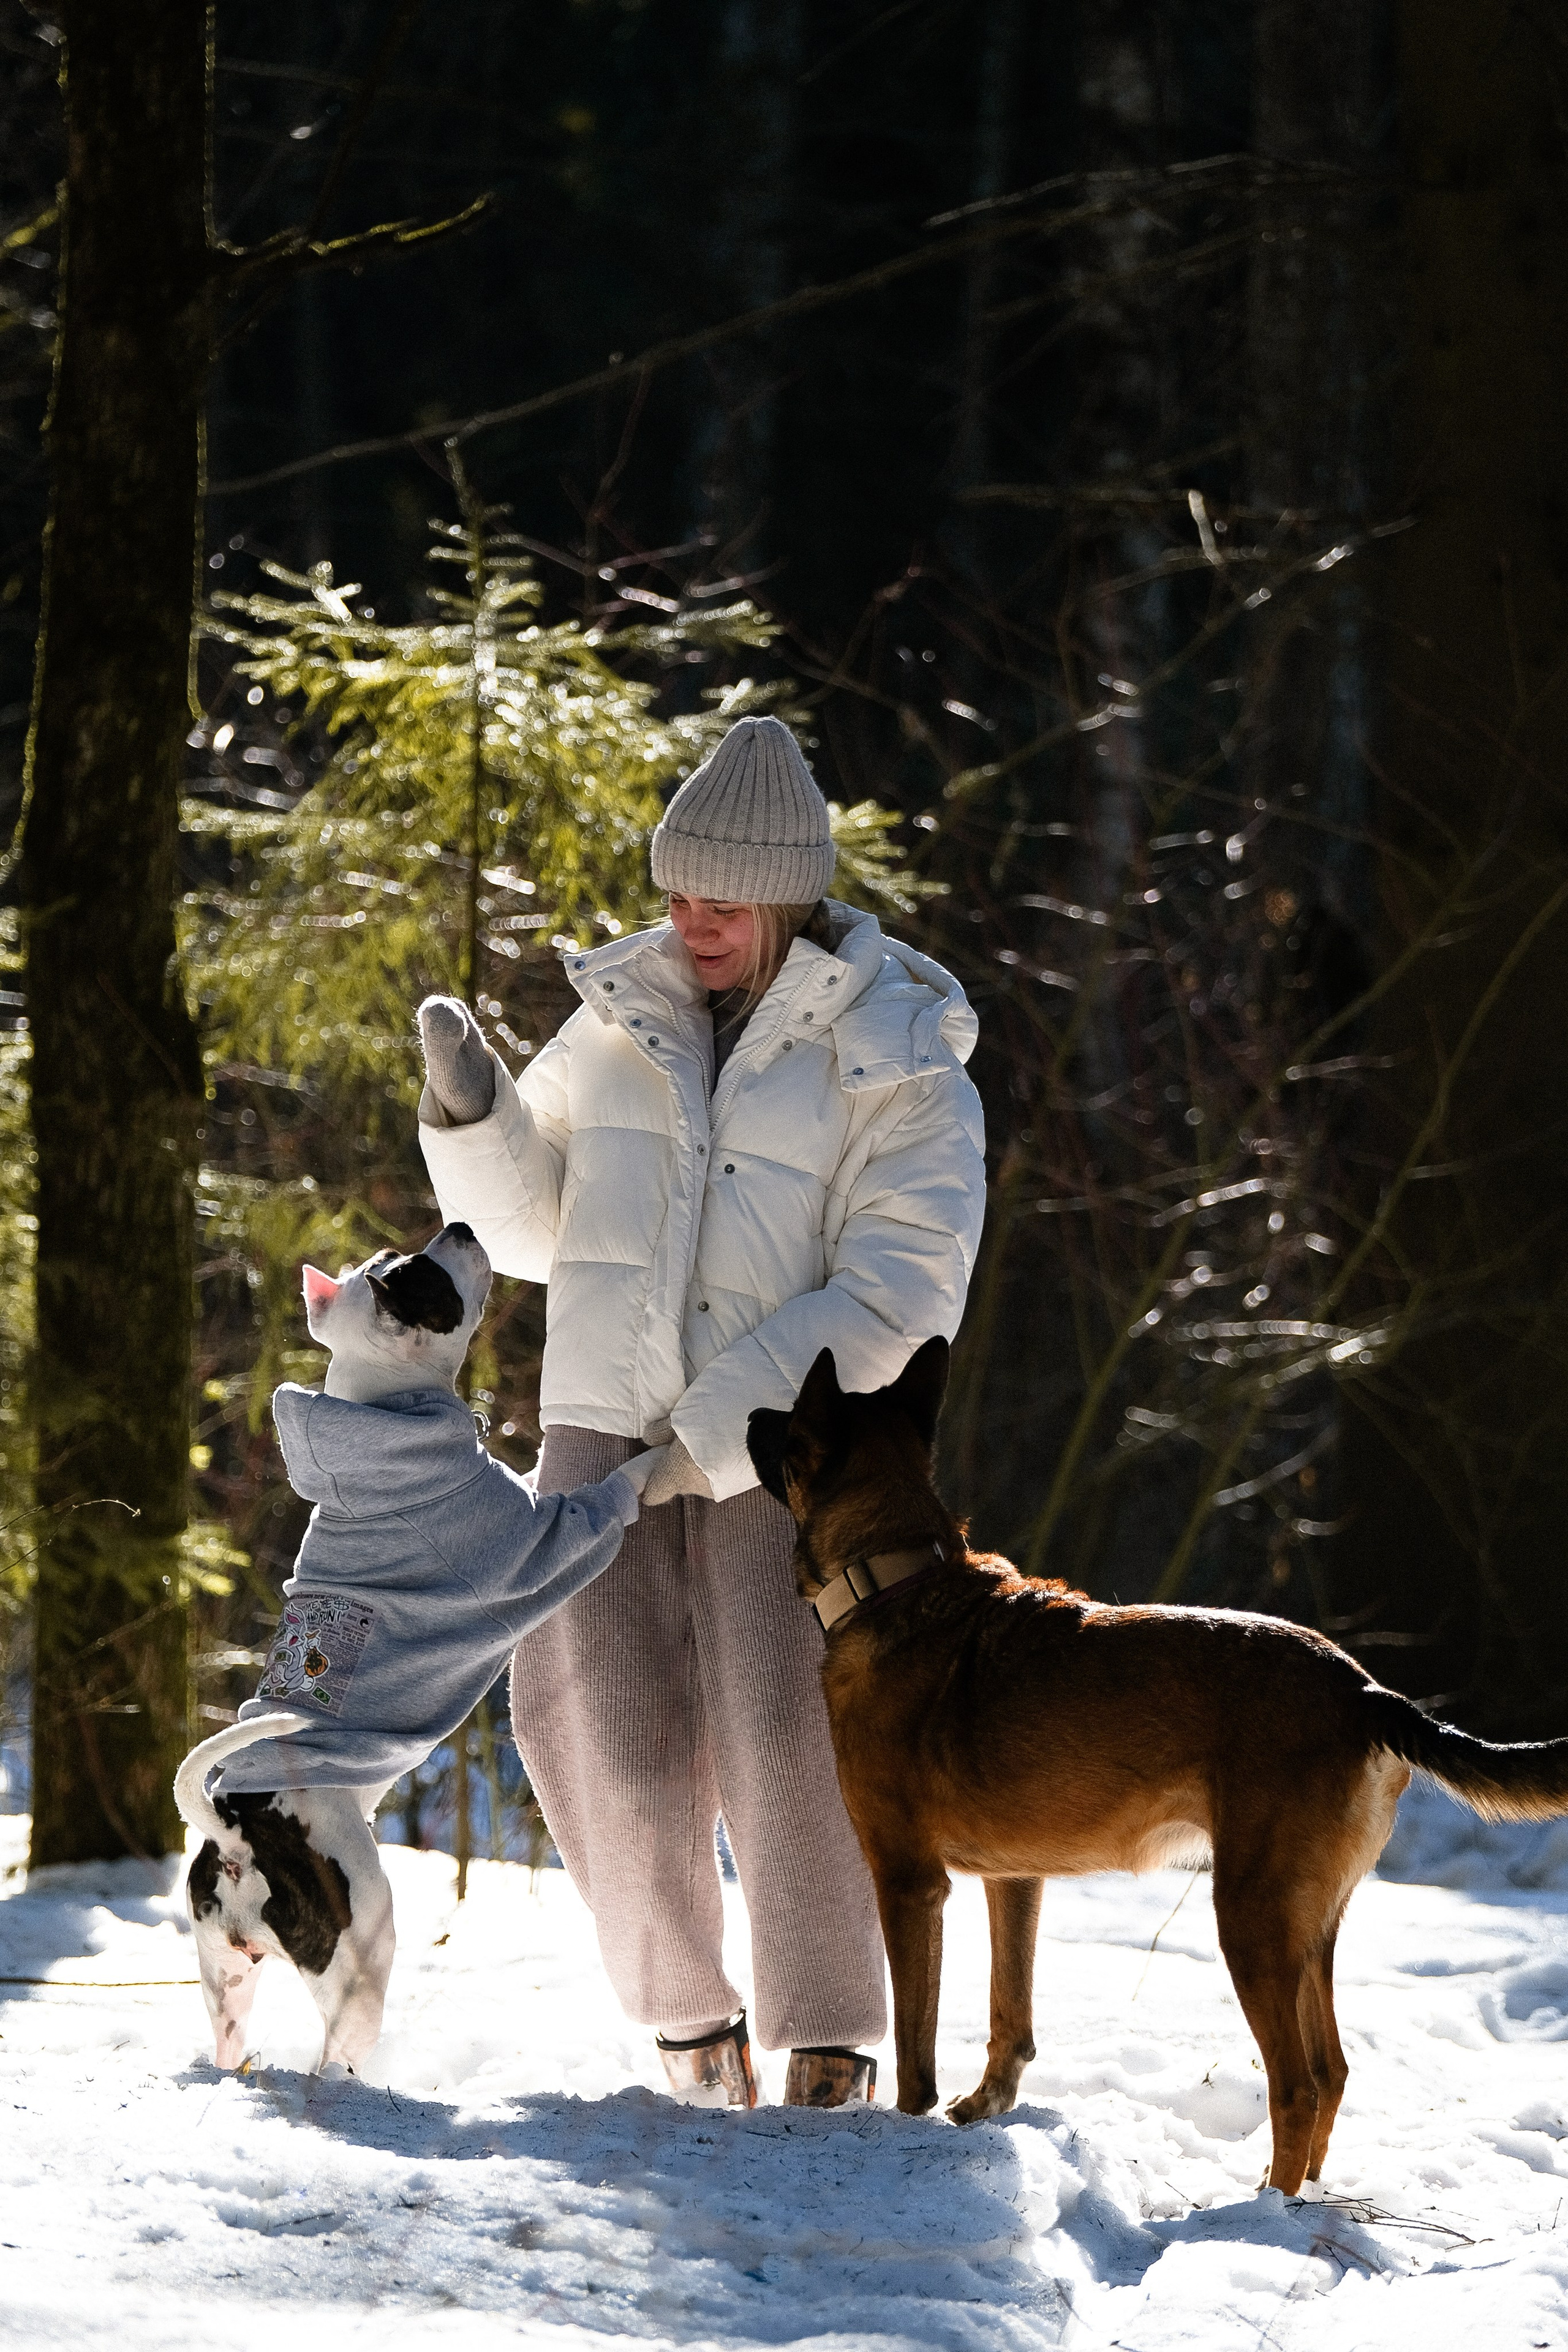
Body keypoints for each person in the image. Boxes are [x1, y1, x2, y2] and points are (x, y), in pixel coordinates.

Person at [415, 714, 986, 2107]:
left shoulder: (898, 1051)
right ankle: (686, 2031)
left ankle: (833, 2042)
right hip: (603, 1432)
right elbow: (539, 1223)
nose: (688, 923)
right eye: (674, 894)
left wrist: (724, 1430)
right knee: (583, 1723)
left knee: (796, 1743)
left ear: (789, 892)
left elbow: (904, 1286)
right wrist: (473, 1118)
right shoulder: (622, 1015)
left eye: (719, 902)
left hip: (789, 1462)